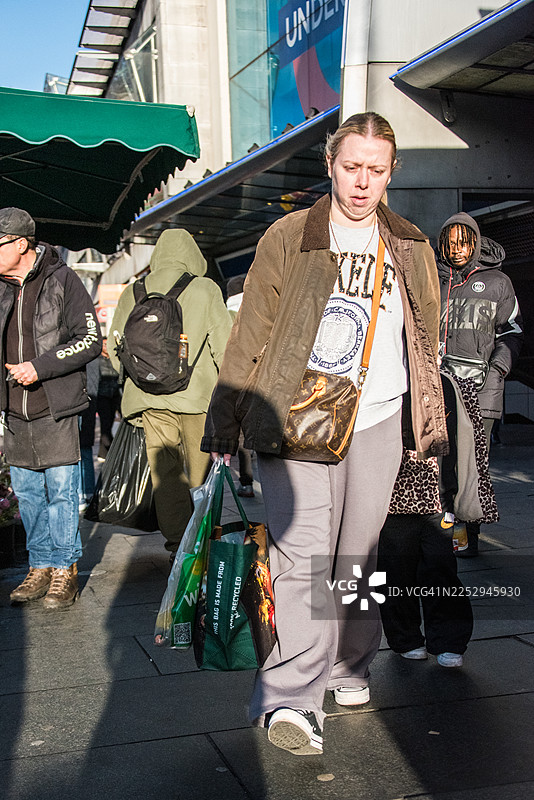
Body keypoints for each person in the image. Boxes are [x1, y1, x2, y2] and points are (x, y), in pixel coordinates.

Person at [202, 113, 448, 756]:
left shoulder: (413, 245)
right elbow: (250, 330)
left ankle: (349, 667)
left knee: (357, 559)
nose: (363, 182)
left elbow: (426, 340)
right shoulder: (290, 236)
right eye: (352, 166)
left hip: (379, 417)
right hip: (295, 418)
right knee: (301, 549)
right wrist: (226, 419)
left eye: (377, 169)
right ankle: (291, 697)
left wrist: (429, 419)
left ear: (391, 173)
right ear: (330, 165)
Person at [0, 207, 102, 609]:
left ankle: (64, 570)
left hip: (56, 405)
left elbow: (90, 338)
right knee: (27, 495)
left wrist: (39, 367)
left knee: (61, 492)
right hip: (13, 409)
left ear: (21, 244)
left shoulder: (63, 279)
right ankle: (39, 566)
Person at [109, 229, 232, 558]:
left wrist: (140, 377)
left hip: (149, 401)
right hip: (197, 400)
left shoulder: (133, 291)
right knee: (200, 476)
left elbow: (114, 347)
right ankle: (202, 545)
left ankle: (178, 546)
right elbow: (225, 347)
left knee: (166, 476)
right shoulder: (205, 288)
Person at [436, 213, 523, 555]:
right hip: (439, 389)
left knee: (472, 466)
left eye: (463, 241)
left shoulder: (498, 282)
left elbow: (513, 331)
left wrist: (498, 369)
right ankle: (447, 535)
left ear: (474, 242)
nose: (456, 249)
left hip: (480, 390)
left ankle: (469, 538)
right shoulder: (435, 280)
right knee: (442, 465)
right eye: (450, 242)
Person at [226, 275, 255, 498]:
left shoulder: (225, 315)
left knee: (230, 435)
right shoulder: (256, 311)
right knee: (248, 438)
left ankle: (232, 479)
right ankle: (247, 482)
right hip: (255, 385)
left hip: (229, 384)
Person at [96, 337, 121, 462]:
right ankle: (110, 452)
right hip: (102, 397)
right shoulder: (97, 360)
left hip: (115, 395)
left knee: (110, 424)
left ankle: (103, 453)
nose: (106, 347)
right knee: (105, 425)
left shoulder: (115, 359)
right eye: (104, 344)